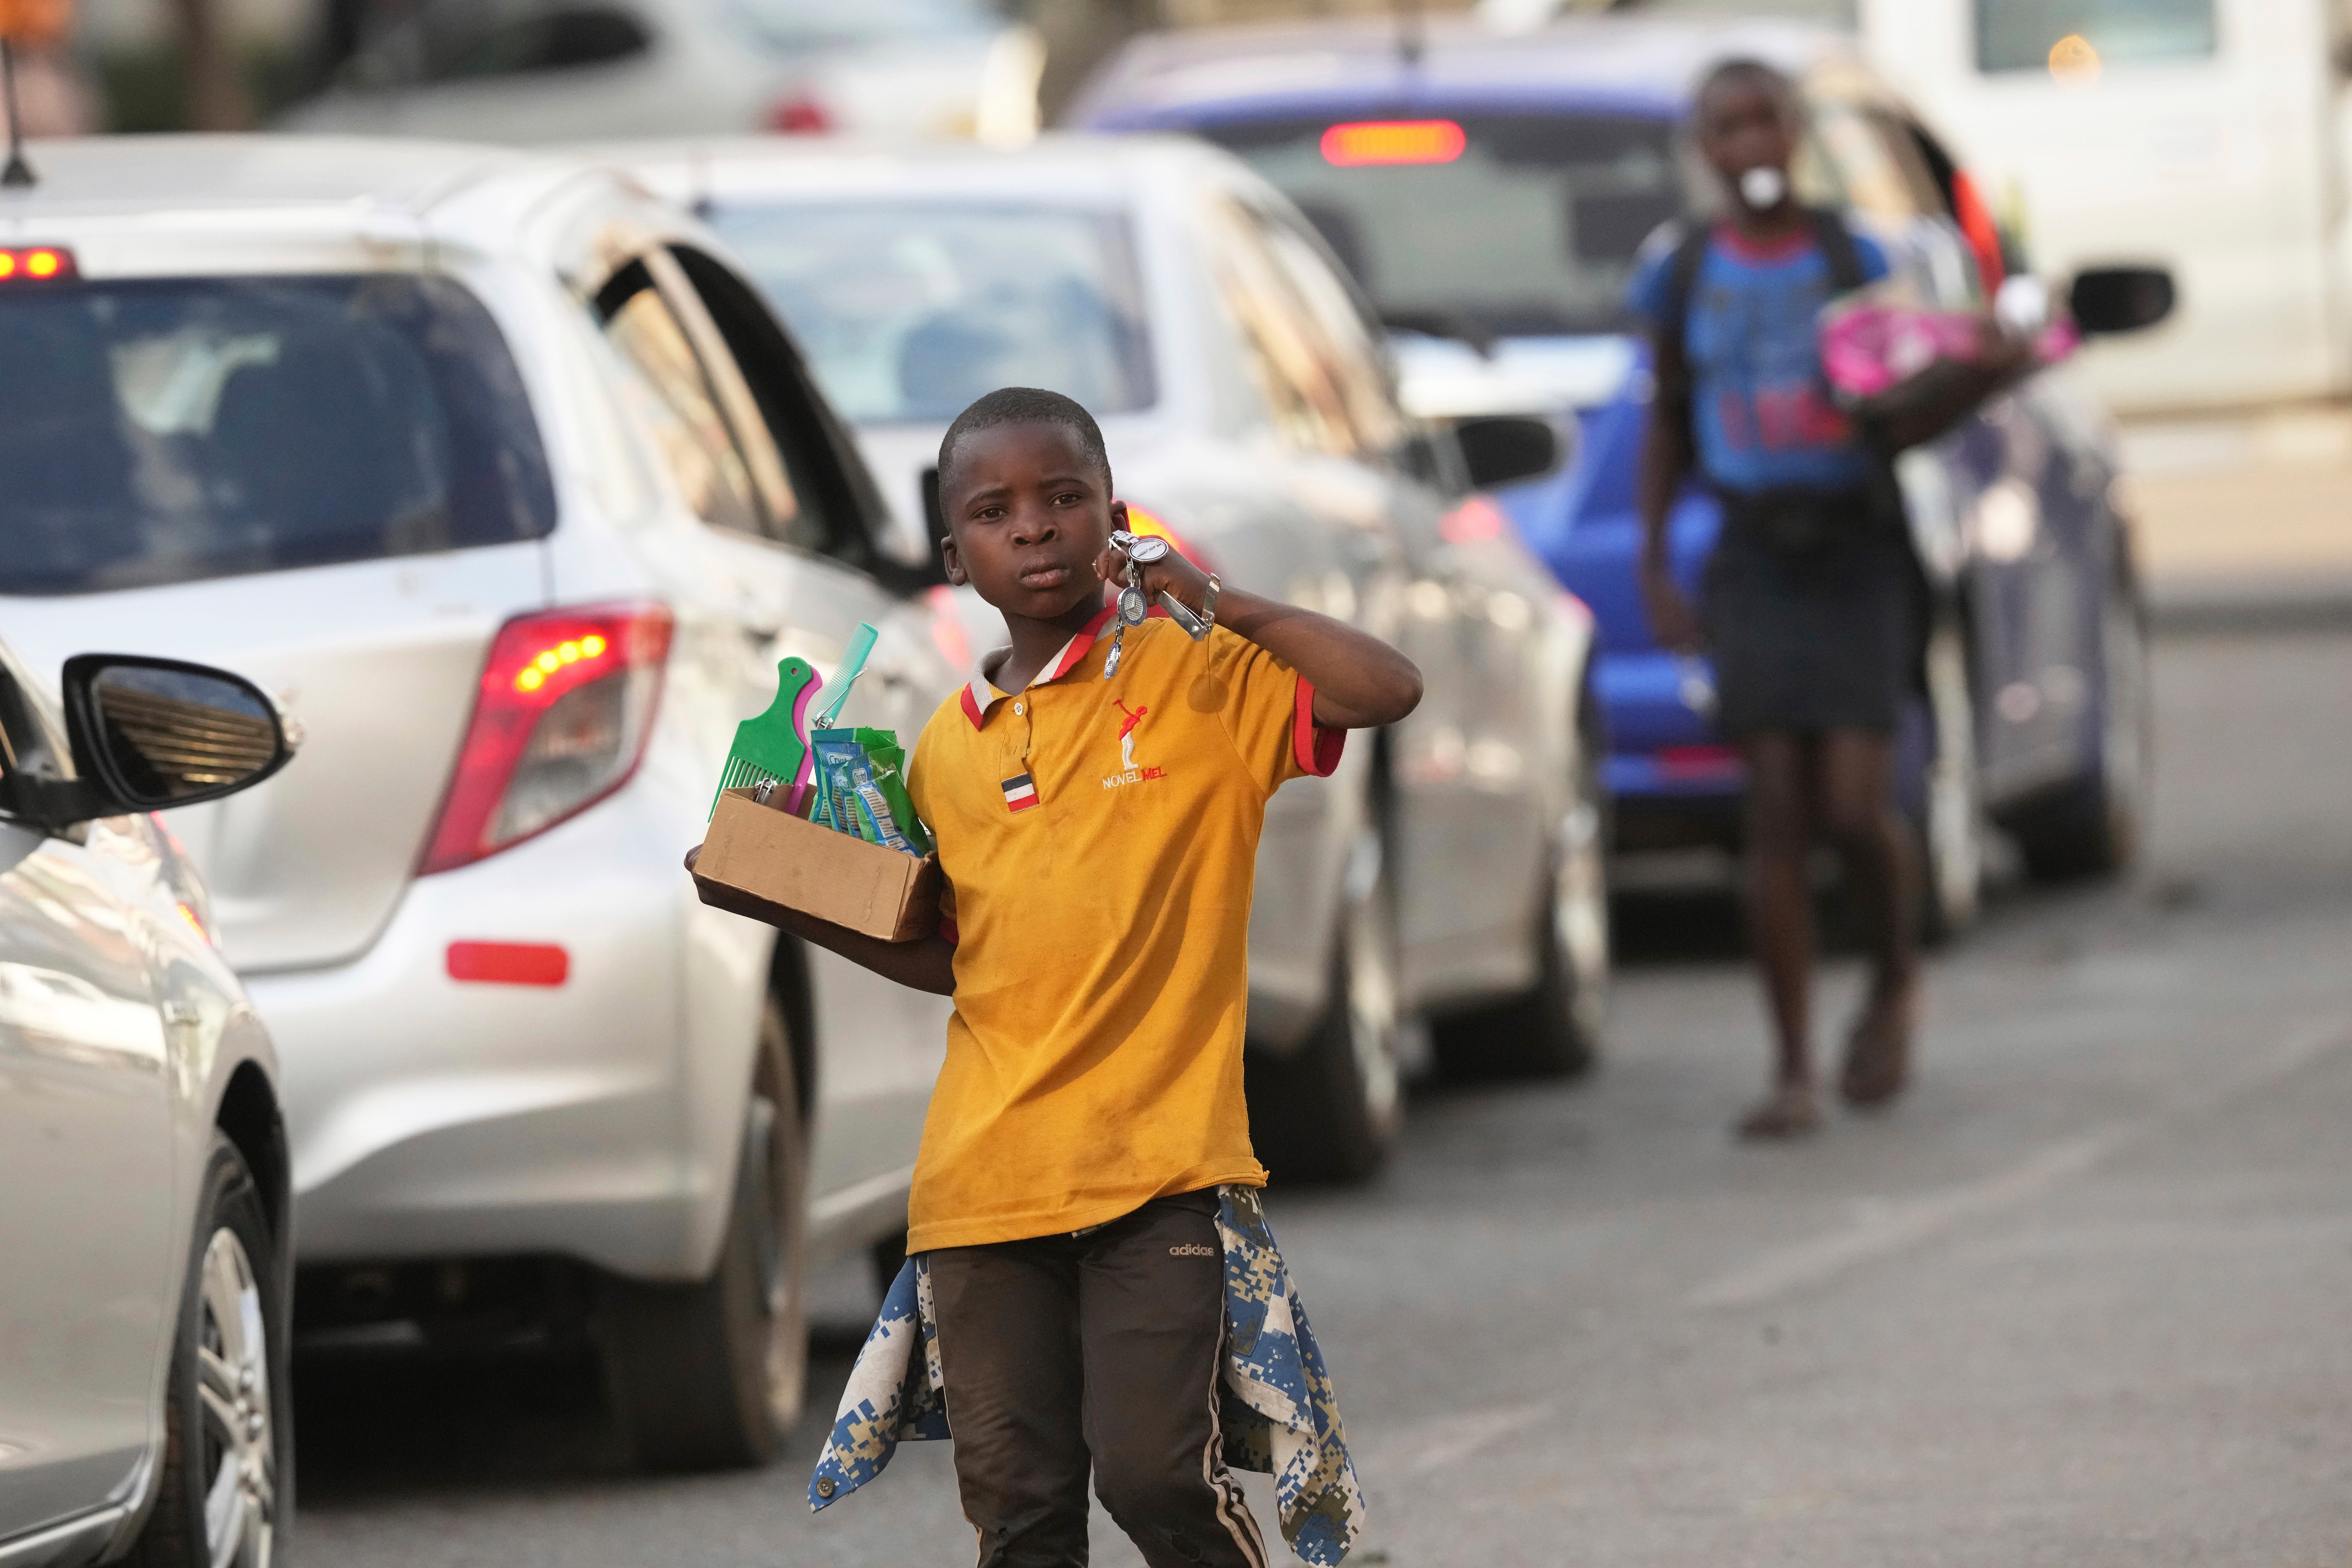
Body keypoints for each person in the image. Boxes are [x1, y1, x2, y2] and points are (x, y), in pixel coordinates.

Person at [728, 387, 1419, 1565]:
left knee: (1158, 1475)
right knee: (1020, 1507)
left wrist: (1218, 600)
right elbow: (952, 954)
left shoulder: (1204, 678)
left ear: (1115, 516)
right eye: (995, 512)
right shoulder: (950, 743)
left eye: (1064, 499)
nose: (1035, 528)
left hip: (1158, 1173)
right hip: (980, 1185)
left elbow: (1381, 689)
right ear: (957, 556)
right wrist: (769, 889)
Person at [1631, 59, 2031, 1140]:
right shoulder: (1684, 274)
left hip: (1854, 549)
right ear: (1705, 150)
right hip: (1755, 558)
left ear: (1795, 134)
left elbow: (1896, 414)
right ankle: (1794, 1067)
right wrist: (1657, 564)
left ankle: (1895, 978)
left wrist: (1983, 373)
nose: (1751, 144)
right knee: (1777, 810)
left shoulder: (1852, 257)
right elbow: (1670, 418)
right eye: (1728, 128)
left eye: (1768, 121)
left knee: (1855, 806)